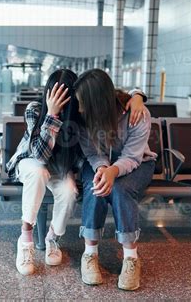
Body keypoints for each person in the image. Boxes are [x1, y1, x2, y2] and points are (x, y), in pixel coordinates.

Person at [6, 69, 148, 276]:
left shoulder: (79, 115)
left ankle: (52, 237)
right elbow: (39, 156)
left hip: (60, 168)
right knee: (38, 172)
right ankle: (25, 239)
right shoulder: (35, 110)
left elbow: (105, 91)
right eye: (56, 96)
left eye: (67, 98)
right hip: (30, 162)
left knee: (69, 191)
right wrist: (52, 115)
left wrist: (138, 95)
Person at [75, 68, 156, 291]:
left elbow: (132, 156)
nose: (79, 108)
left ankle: (131, 257)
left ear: (98, 102)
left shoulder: (137, 113)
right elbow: (92, 153)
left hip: (137, 163)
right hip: (98, 162)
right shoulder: (82, 118)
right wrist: (103, 169)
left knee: (120, 189)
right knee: (96, 186)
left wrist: (113, 172)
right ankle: (89, 254)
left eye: (83, 103)